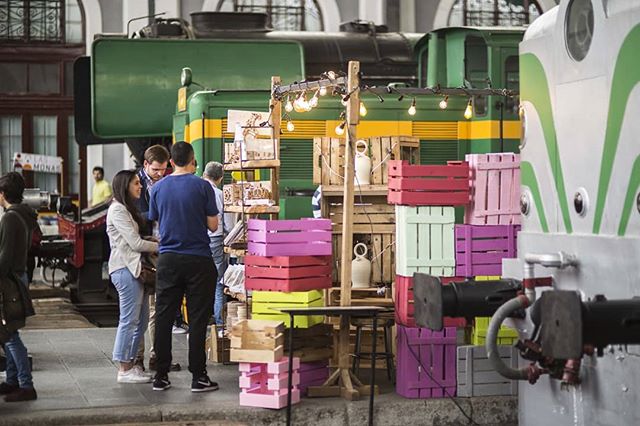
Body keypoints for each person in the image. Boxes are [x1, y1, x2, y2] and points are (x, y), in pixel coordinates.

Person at [149, 142, 219, 392]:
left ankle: (160, 376)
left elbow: (156, 219)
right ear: (192, 160)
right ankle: (198, 377)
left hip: (168, 259)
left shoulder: (158, 188)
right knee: (198, 320)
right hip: (198, 259)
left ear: (170, 162)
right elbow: (213, 226)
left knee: (165, 317)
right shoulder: (203, 186)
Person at [132, 144, 182, 373]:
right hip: (141, 251)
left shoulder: (166, 182)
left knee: (158, 308)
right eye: (155, 169)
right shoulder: (134, 184)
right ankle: (137, 359)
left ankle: (158, 356)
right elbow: (133, 215)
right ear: (145, 165)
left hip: (162, 249)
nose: (160, 173)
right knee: (138, 309)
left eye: (163, 169)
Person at [106, 170, 158, 384]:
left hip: (133, 269)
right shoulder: (117, 210)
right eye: (136, 183)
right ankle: (123, 367)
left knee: (142, 319)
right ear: (125, 186)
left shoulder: (126, 209)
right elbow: (135, 244)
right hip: (124, 269)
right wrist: (160, 246)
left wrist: (148, 238)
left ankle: (132, 364)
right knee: (129, 320)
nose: (140, 186)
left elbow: (135, 239)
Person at [0, 172, 38, 402]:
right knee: (8, 332)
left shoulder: (10, 218)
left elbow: (4, 257)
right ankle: (13, 380)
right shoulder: (22, 214)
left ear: (3, 194)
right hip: (17, 276)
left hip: (8, 280)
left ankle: (26, 384)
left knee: (10, 334)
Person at [202, 162, 232, 327]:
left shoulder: (196, 189)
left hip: (197, 240)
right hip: (215, 239)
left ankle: (200, 321)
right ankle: (220, 324)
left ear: (205, 173)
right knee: (218, 282)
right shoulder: (219, 194)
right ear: (220, 177)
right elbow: (227, 224)